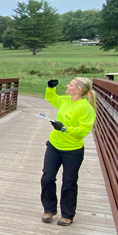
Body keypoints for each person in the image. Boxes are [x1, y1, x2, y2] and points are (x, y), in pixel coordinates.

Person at [41, 77, 96, 226]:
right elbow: (51, 98)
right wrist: (50, 87)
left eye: (70, 85)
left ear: (78, 90)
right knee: (47, 178)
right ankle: (49, 209)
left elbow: (83, 130)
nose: (67, 85)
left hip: (72, 150)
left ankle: (67, 214)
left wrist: (64, 128)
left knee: (69, 183)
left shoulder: (86, 108)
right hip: (54, 145)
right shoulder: (65, 100)